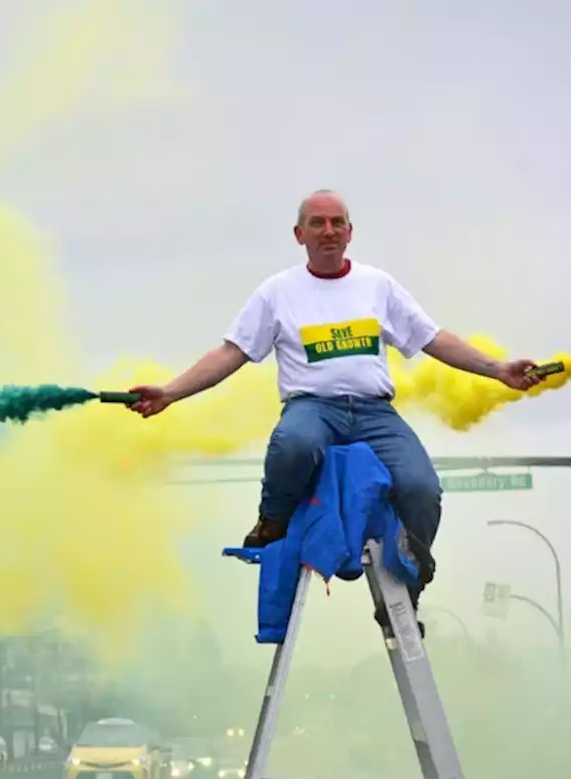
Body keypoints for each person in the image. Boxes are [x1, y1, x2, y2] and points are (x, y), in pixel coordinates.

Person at [128, 189, 546, 611]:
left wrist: (498, 370)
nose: (328, 231)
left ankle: (408, 586)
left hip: (374, 412)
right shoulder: (277, 292)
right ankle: (272, 519)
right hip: (313, 408)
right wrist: (170, 392)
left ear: (350, 233)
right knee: (293, 442)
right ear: (299, 234)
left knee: (422, 488)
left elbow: (433, 339)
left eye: (337, 223)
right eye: (317, 223)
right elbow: (231, 352)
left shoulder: (377, 286)